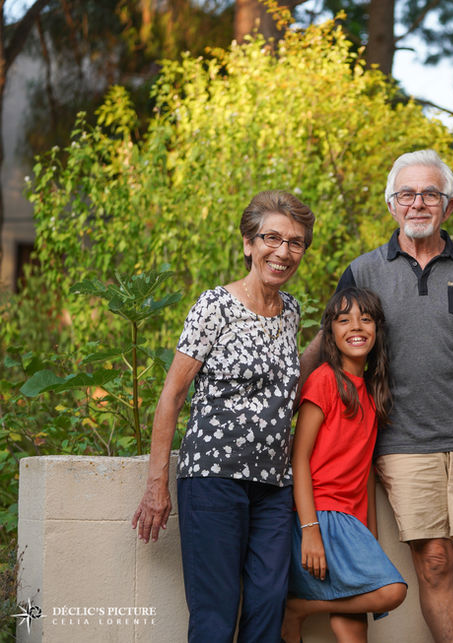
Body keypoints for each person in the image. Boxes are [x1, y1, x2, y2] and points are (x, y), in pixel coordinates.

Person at [302, 149, 453, 642]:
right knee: (434, 563)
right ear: (392, 204)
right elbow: (331, 342)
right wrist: (283, 397)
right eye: (407, 194)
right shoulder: (363, 271)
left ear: (450, 204)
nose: (418, 203)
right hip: (400, 443)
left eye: (430, 194)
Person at [131, 190, 315, 642]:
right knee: (215, 614)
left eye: (296, 242)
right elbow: (171, 396)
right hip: (214, 478)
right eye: (271, 238)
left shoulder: (289, 311)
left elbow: (286, 383)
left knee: (268, 608)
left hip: (273, 485)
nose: (283, 251)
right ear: (249, 244)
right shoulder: (214, 306)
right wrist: (157, 483)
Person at [282, 287, 407, 643]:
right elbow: (299, 458)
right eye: (344, 319)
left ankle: (297, 609)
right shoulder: (323, 380)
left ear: (377, 330)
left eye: (366, 319)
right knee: (393, 591)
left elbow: (364, 472)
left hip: (351, 524)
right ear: (331, 333)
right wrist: (309, 529)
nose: (356, 326)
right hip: (321, 516)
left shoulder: (370, 392)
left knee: (352, 633)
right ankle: (298, 609)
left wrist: (372, 537)